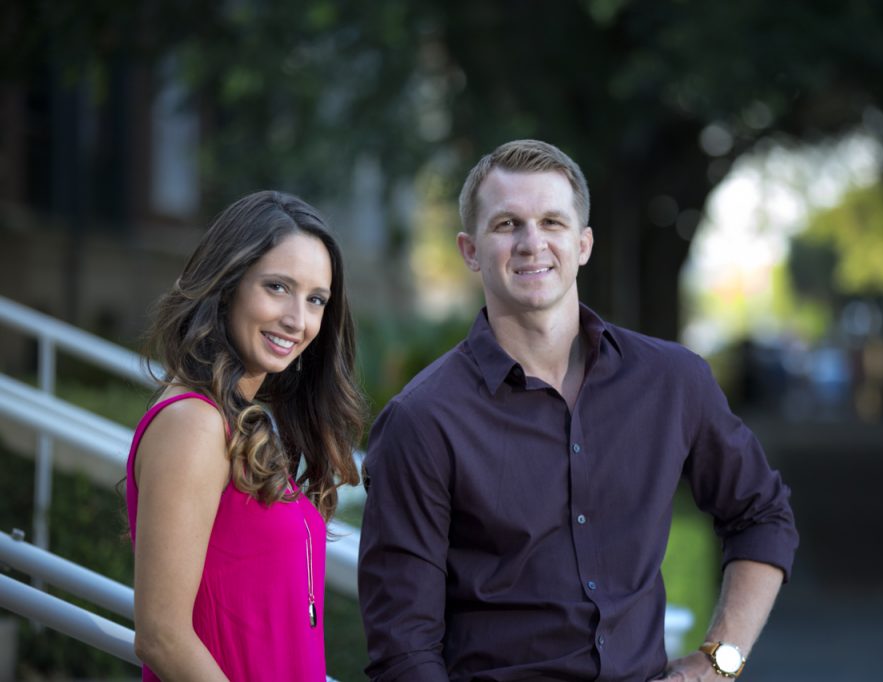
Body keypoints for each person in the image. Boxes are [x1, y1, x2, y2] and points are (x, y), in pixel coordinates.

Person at [358, 140, 798, 681]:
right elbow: (405, 649)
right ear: (470, 250)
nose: (531, 242)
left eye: (552, 222)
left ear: (583, 243)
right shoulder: (423, 421)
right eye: (506, 225)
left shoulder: (672, 382)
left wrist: (718, 662)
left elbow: (761, 514)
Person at [126, 190, 365, 680]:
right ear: (227, 285)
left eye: (316, 299)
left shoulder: (244, 423)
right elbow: (161, 635)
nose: (298, 321)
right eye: (277, 287)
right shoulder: (194, 424)